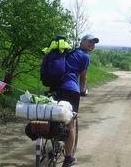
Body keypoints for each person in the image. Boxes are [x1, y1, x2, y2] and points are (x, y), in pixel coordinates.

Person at [55, 34, 99, 167]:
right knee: (71, 124)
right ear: (82, 42)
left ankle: (53, 140)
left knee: (55, 115)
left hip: (57, 87)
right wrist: (83, 90)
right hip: (71, 90)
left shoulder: (69, 52)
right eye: (89, 42)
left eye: (94, 43)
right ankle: (68, 158)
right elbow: (83, 77)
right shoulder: (85, 56)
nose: (92, 44)